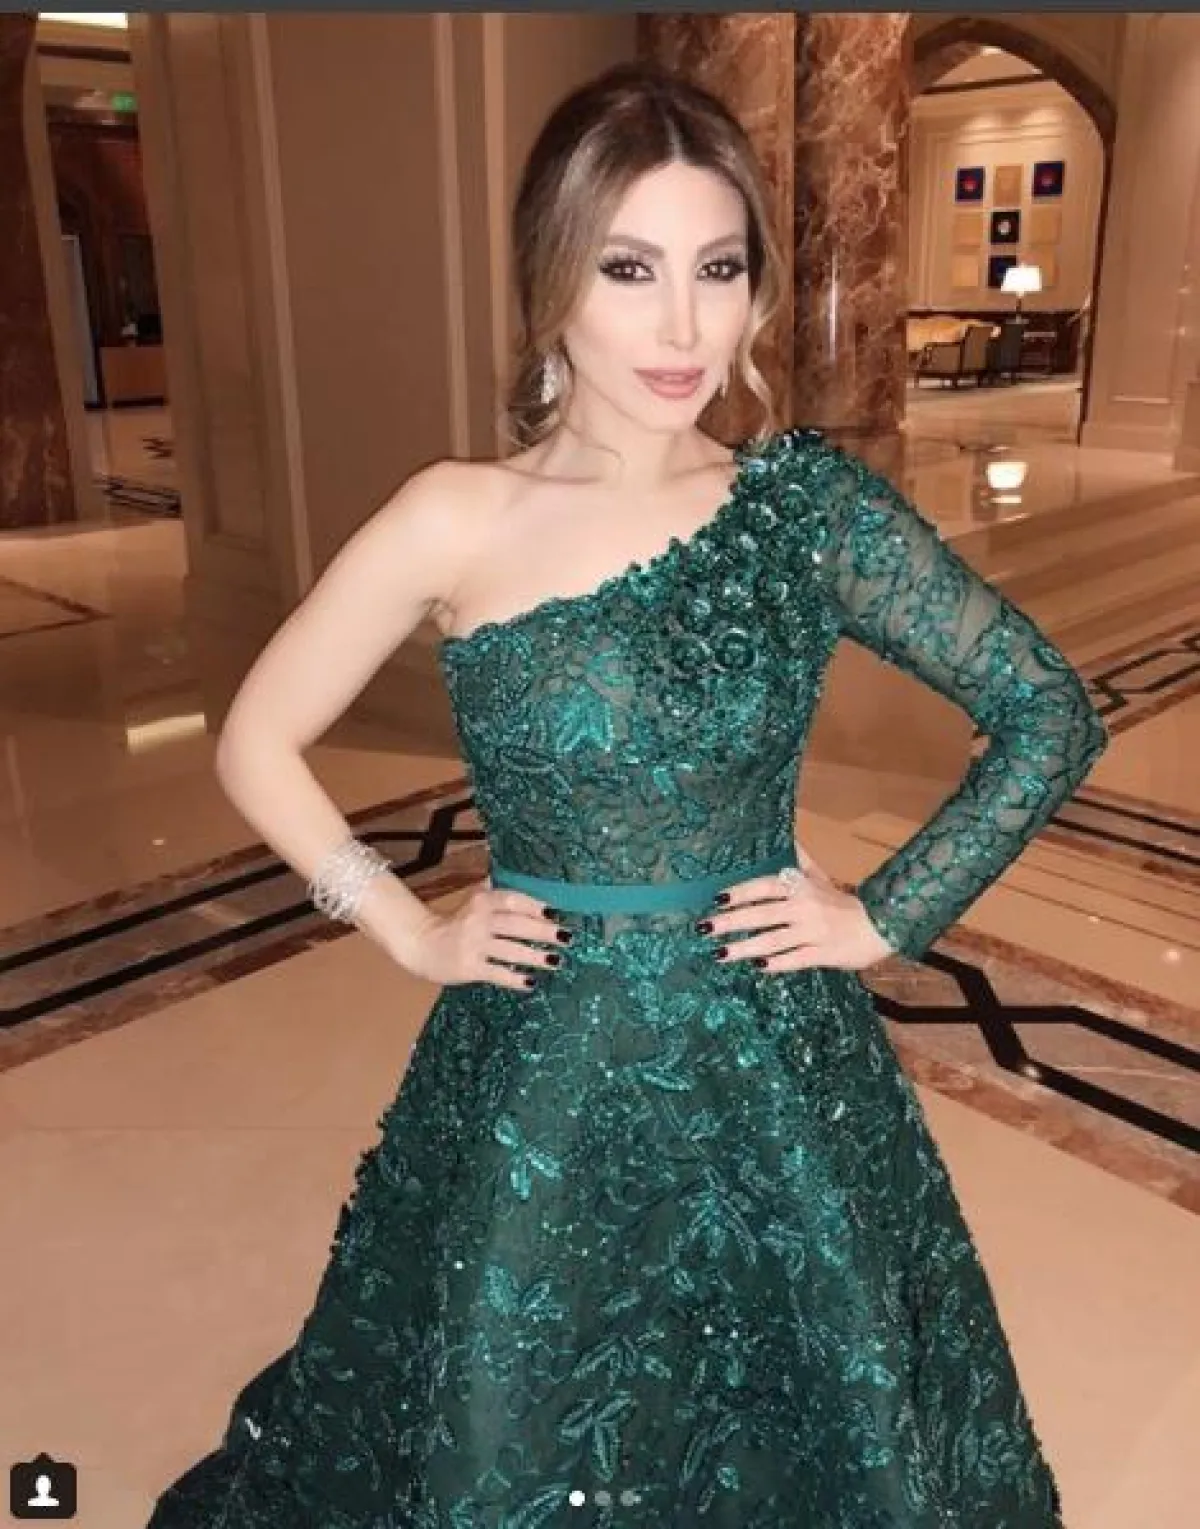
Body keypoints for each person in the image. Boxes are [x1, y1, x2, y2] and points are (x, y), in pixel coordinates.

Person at [146, 60, 1107, 1528]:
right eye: (630, 268)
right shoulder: (457, 514)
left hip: (771, 1055)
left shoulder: (803, 511)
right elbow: (256, 742)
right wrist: (408, 931)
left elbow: (1046, 711)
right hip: (540, 1058)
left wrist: (885, 916)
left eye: (718, 270)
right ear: (554, 278)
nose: (682, 327)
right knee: (513, 1410)